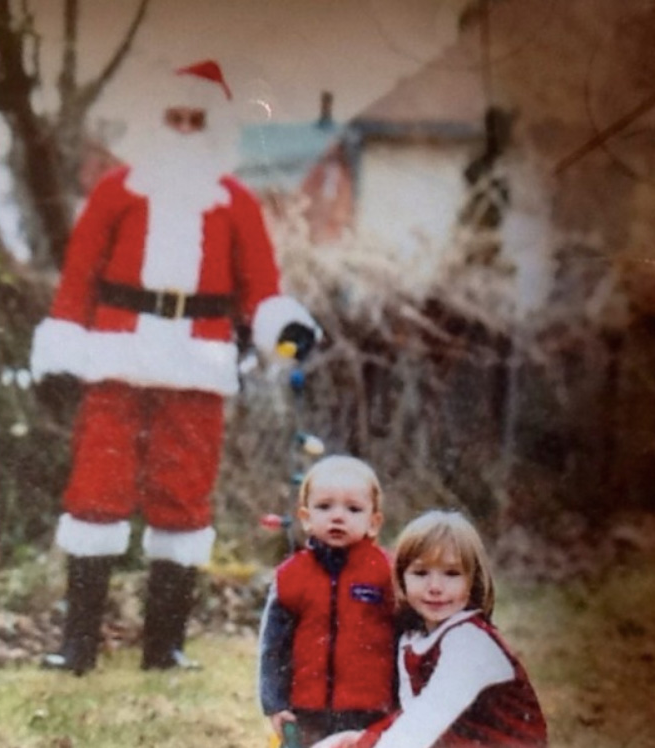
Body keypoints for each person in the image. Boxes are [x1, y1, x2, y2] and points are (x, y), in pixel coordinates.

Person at [30, 59, 320, 675]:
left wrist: (284, 327)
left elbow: (261, 287)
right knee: (95, 494)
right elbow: (78, 277)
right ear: (153, 121)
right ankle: (77, 647)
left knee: (184, 499)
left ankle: (164, 649)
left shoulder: (235, 204)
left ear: (214, 127)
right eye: (174, 118)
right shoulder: (116, 194)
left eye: (197, 120)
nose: (185, 129)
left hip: (198, 366)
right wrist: (60, 349)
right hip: (116, 360)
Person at [314, 510, 548, 748]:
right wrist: (362, 740)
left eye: (452, 574)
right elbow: (410, 717)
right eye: (421, 573)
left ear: (472, 580)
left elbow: (423, 725)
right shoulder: (413, 638)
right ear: (401, 578)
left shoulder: (469, 643)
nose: (435, 587)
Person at [258, 455, 397, 747]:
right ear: (306, 518)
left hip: (371, 709)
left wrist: (404, 702)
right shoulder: (291, 575)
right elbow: (273, 647)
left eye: (353, 508)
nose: (338, 516)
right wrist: (274, 703)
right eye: (324, 506)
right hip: (306, 710)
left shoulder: (388, 573)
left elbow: (406, 640)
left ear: (373, 522)